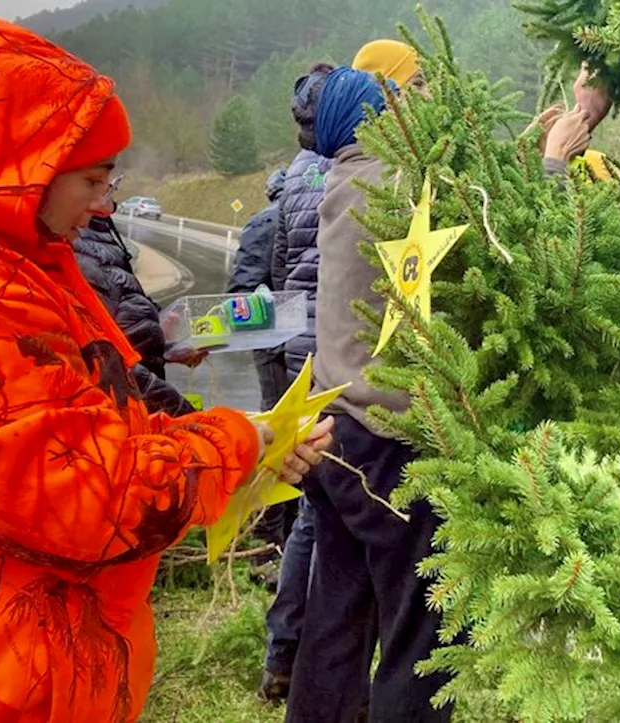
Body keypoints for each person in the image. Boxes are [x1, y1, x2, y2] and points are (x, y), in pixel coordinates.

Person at [0, 6, 331, 721]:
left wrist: (242, 446)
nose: (105, 206)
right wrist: (240, 441)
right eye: (93, 180)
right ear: (19, 167)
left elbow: (85, 418)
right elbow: (93, 498)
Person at [285, 66, 450, 723]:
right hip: (383, 439)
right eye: (388, 107)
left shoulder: (348, 179)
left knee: (338, 613)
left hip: (336, 430)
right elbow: (483, 213)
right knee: (424, 622)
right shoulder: (391, 183)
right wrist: (553, 160)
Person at [259, 61, 336, 703]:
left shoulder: (290, 182)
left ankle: (283, 654)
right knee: (324, 510)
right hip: (335, 347)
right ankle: (301, 658)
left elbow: (283, 267)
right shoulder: (350, 174)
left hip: (295, 345)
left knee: (311, 503)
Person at [75, 186, 200, 417]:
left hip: (143, 409)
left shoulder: (97, 233)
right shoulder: (74, 245)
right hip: (129, 415)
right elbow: (110, 365)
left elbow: (121, 313)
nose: (110, 204)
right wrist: (189, 418)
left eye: (112, 186)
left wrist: (164, 345)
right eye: (94, 180)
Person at [227, 169, 291, 412]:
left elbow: (243, 288)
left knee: (277, 413)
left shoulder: (264, 221)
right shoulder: (323, 211)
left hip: (274, 338)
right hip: (319, 336)